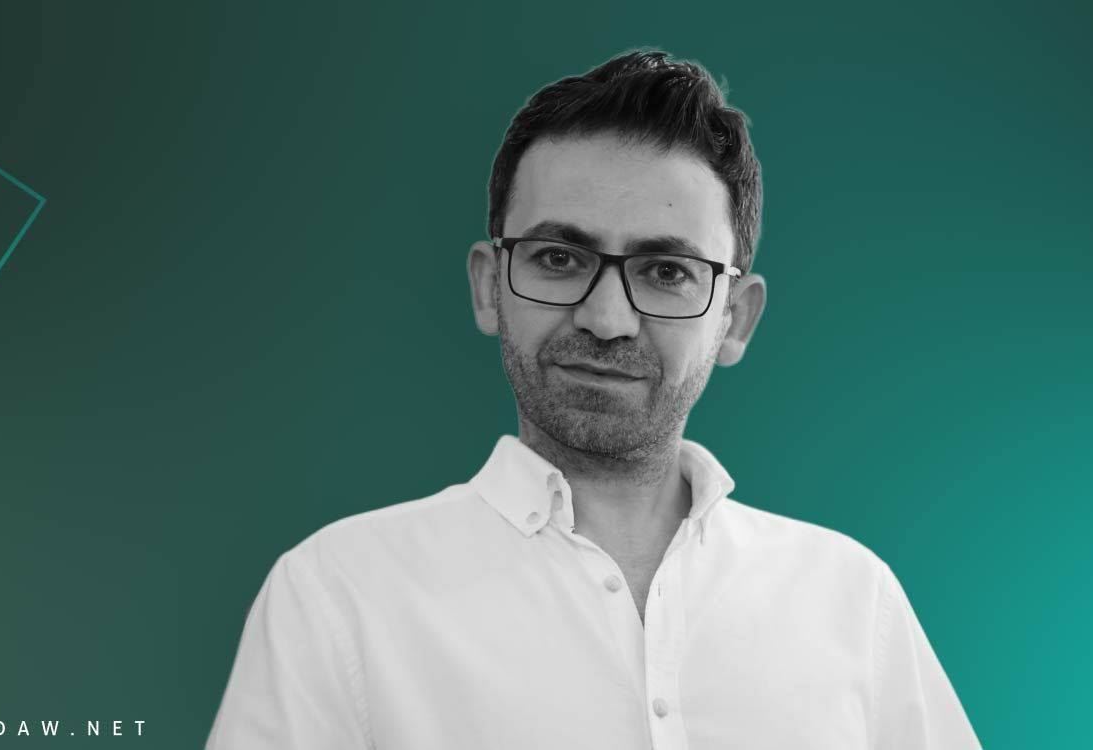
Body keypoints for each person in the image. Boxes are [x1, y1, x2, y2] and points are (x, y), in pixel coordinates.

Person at [206, 49, 980, 750]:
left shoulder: (852, 600)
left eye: (667, 272)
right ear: (489, 286)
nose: (606, 319)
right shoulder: (338, 595)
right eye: (558, 257)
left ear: (735, 319)